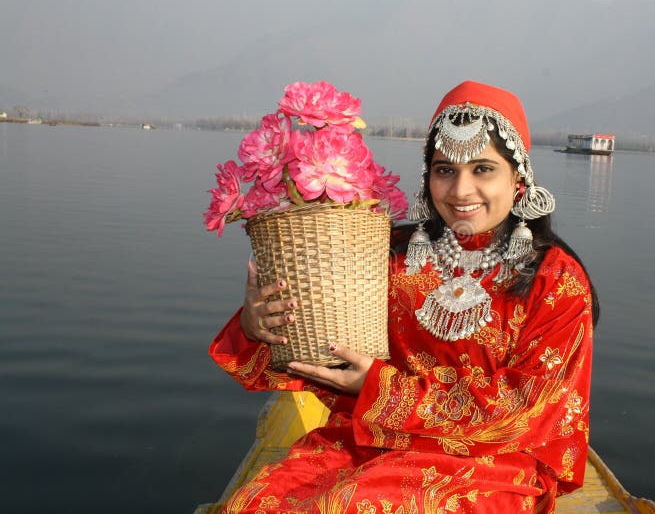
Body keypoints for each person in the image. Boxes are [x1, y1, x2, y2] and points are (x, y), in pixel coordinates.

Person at [209, 81, 599, 513]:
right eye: (445, 169)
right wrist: (258, 328)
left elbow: (525, 411)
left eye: (483, 169)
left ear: (519, 178)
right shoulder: (387, 250)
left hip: (491, 463)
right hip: (366, 441)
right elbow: (319, 353)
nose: (460, 191)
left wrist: (378, 389)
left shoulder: (554, 280)